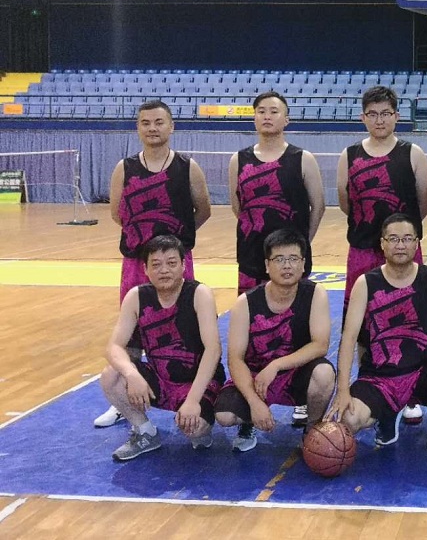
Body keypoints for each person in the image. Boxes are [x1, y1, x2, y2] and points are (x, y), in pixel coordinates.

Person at [96, 99, 212, 429]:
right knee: (132, 333)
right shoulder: (125, 168)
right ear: (138, 128)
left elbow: (203, 210)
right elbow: (117, 214)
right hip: (136, 263)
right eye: (145, 122)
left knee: (183, 330)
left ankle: (191, 394)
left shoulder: (188, 167)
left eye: (159, 122)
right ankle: (124, 400)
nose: (152, 128)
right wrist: (146, 245)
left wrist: (173, 244)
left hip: (175, 262)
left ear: (171, 126)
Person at [327, 214, 427, 465]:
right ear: (382, 244)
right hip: (379, 377)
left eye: (407, 239)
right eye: (393, 239)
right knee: (348, 420)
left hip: (422, 370)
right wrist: (343, 391)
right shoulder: (365, 283)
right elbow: (348, 340)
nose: (400, 245)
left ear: (416, 243)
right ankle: (387, 415)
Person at [229, 90, 326, 427]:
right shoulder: (239, 160)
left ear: (287, 119)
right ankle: (250, 403)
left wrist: (299, 248)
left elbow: (318, 206)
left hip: (290, 263)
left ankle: (301, 397)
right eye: (261, 111)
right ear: (254, 117)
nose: (267, 116)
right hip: (252, 260)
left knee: (296, 330)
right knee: (251, 333)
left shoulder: (302, 159)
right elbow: (238, 208)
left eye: (274, 111)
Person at [337, 85, 427, 425]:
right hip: (363, 251)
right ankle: (369, 384)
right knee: (363, 322)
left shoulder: (413, 153)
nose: (380, 120)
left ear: (396, 116)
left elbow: (425, 202)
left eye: (386, 113)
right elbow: (346, 203)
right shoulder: (350, 155)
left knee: (410, 321)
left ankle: (411, 394)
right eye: (373, 114)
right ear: (363, 118)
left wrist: (401, 240)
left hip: (403, 253)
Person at [100, 235, 224, 461]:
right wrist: (132, 374)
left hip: (196, 381)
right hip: (160, 379)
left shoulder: (199, 294)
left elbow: (213, 350)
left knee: (195, 430)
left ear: (184, 265)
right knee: (112, 375)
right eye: (156, 264)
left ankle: (203, 426)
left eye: (171, 263)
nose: (164, 270)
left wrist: (193, 400)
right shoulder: (136, 296)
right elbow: (113, 347)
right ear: (145, 269)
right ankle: (145, 432)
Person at [215, 228, 336, 452]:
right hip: (256, 377)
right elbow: (235, 359)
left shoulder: (315, 293)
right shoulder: (245, 303)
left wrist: (276, 365)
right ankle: (248, 422)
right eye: (279, 259)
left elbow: (320, 345)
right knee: (224, 415)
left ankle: (312, 429)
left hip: (294, 373)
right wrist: (254, 402)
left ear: (303, 264)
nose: (287, 266)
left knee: (324, 373)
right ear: (267, 265)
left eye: (293, 259)